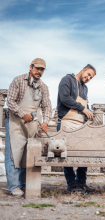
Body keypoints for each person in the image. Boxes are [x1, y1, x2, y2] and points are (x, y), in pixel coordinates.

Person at [5, 58, 52, 196]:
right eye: (37, 68)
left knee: (29, 154)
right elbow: (10, 101)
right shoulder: (18, 80)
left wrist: (46, 122)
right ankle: (14, 187)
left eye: (42, 69)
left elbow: (47, 106)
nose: (39, 71)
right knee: (14, 153)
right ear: (31, 67)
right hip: (16, 123)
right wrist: (22, 114)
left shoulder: (44, 87)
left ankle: (25, 184)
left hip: (33, 125)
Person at [57, 64, 96, 192]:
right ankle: (72, 184)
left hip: (80, 124)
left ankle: (81, 183)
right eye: (88, 74)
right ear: (83, 70)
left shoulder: (85, 88)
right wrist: (83, 108)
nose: (88, 78)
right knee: (66, 155)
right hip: (66, 122)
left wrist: (89, 112)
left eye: (91, 77)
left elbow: (85, 105)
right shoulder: (67, 80)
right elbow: (65, 99)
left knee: (83, 153)